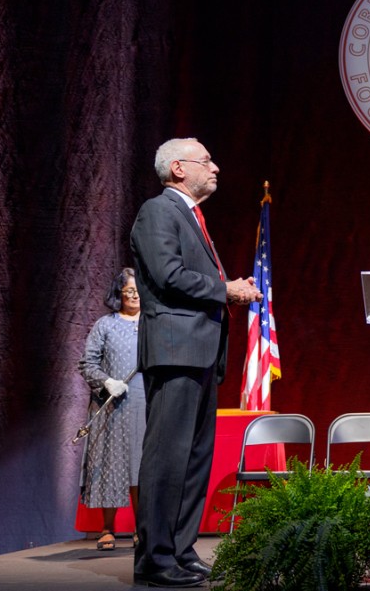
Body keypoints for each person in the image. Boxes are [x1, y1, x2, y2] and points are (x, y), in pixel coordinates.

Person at [130, 137, 261, 588]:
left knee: (193, 459)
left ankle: (181, 551)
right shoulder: (158, 211)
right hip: (175, 351)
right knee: (167, 457)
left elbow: (191, 277)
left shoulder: (190, 216)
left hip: (200, 351)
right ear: (179, 168)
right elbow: (167, 275)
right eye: (207, 160)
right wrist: (226, 290)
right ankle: (154, 559)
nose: (216, 167)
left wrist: (228, 287)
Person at [78, 267, 146, 551]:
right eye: (128, 290)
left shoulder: (153, 323)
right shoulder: (104, 325)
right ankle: (107, 528)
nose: (134, 295)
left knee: (141, 466)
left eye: (138, 290)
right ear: (119, 294)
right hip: (113, 405)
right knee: (111, 464)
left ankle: (142, 529)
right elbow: (87, 364)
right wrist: (107, 382)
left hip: (147, 404)